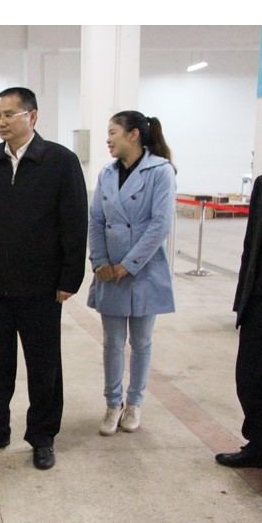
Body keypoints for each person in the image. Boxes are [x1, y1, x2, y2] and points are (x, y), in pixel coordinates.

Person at [0, 87, 87, 470]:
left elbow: (74, 223)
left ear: (32, 116)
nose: (0, 122)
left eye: (8, 114)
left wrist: (69, 278)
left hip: (42, 288)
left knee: (44, 367)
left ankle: (42, 436)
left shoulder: (60, 161)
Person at [215, 105, 262, 496]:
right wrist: (242, 301)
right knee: (249, 378)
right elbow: (251, 248)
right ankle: (260, 445)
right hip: (260, 304)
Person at [88, 111, 177, 436]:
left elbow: (160, 224)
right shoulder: (107, 173)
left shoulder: (160, 171)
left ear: (134, 134)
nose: (108, 140)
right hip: (109, 271)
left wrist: (128, 264)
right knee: (112, 343)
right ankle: (113, 403)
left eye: (113, 132)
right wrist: (99, 261)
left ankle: (135, 402)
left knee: (141, 342)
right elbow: (96, 220)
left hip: (143, 270)